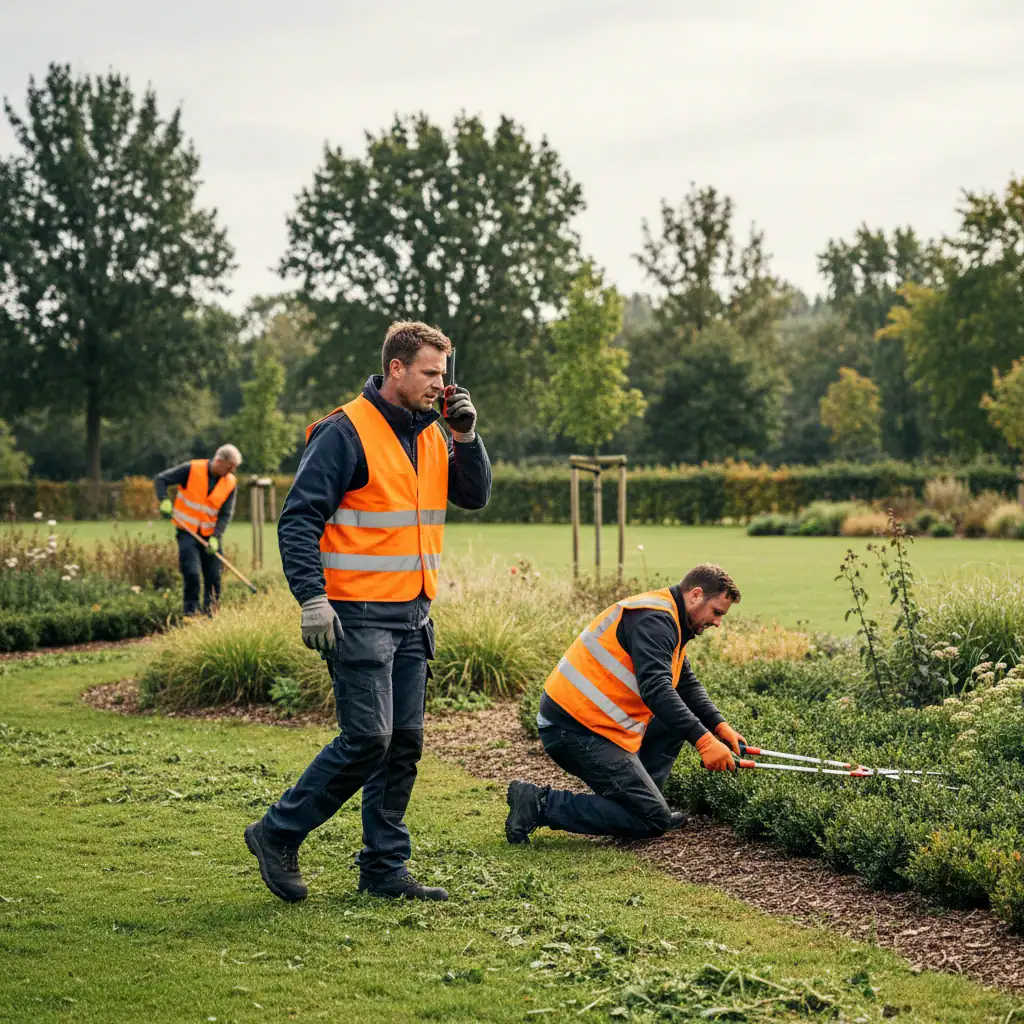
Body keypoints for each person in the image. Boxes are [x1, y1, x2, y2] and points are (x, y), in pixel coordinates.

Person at [245, 321, 491, 904]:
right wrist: (311, 598)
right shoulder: (343, 432)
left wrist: (466, 436)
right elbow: (299, 519)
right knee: (367, 740)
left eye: (444, 374)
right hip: (355, 614)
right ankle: (276, 833)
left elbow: (475, 496)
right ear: (397, 368)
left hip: (413, 613)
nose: (441, 385)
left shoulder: (435, 431)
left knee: (403, 742)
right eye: (430, 374)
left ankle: (383, 869)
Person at [504, 563, 746, 843]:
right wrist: (704, 742)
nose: (717, 622)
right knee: (652, 820)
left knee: (673, 726)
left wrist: (719, 726)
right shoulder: (655, 621)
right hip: (573, 728)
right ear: (695, 595)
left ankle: (642, 805)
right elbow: (657, 690)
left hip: (594, 724)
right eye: (717, 612)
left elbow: (685, 685)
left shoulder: (671, 619)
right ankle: (538, 803)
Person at [154, 444, 242, 615]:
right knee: (192, 573)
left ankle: (211, 613)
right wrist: (163, 499)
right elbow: (160, 479)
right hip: (187, 532)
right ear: (219, 460)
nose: (231, 471)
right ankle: (190, 613)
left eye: (234, 468)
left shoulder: (230, 482)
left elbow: (225, 514)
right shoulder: (191, 469)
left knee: (214, 576)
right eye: (230, 467)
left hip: (211, 536)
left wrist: (216, 536)